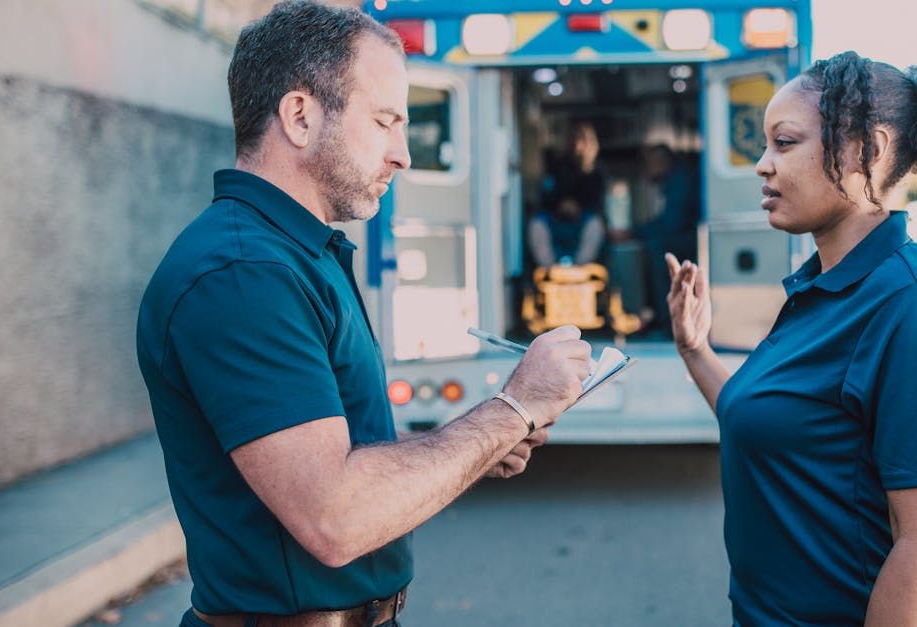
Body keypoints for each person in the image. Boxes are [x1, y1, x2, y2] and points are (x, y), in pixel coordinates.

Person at [135, 3, 592, 626]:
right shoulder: (244, 275)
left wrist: (480, 444)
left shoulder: (296, 253)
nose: (402, 154)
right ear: (299, 116)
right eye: (384, 121)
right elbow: (334, 516)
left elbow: (336, 449)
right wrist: (512, 409)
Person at [665, 51, 917, 626]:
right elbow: (769, 424)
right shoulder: (822, 289)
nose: (762, 166)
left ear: (866, 150)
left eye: (785, 143)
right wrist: (696, 349)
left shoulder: (909, 300)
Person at [637, 144, 699, 335]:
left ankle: (666, 322)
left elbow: (672, 223)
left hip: (688, 240)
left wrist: (635, 232)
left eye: (650, 163)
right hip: (685, 236)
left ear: (663, 162)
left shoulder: (679, 182)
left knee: (658, 251)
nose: (646, 169)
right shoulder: (671, 182)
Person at [528, 122, 607, 268]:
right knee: (537, 224)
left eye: (583, 140)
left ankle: (581, 267)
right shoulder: (556, 166)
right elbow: (545, 195)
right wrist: (560, 206)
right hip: (555, 217)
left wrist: (579, 208)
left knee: (595, 225)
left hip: (583, 219)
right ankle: (549, 269)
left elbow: (598, 202)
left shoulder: (597, 172)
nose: (579, 145)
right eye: (575, 139)